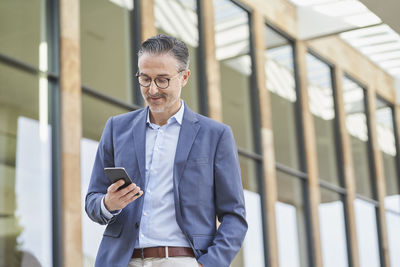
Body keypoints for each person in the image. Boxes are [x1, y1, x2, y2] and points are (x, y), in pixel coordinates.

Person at [85, 34, 247, 267]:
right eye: (145, 79)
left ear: (184, 77)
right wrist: (109, 204)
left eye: (162, 80)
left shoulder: (215, 135)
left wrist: (209, 264)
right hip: (121, 261)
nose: (152, 90)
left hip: (182, 260)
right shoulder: (116, 129)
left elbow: (234, 216)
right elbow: (93, 200)